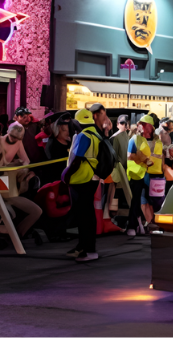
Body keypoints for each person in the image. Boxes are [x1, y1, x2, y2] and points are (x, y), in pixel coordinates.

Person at [63, 108, 106, 262]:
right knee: (87, 214)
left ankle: (89, 250)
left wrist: (67, 174)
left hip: (82, 179)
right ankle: (83, 246)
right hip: (92, 178)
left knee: (84, 216)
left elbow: (77, 159)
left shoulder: (83, 136)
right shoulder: (96, 135)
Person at [126, 114, 158, 236]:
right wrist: (144, 160)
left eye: (145, 125)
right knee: (135, 201)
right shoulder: (134, 139)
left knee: (140, 201)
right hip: (135, 174)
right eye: (142, 125)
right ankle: (132, 226)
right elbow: (130, 155)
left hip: (142, 174)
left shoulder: (143, 139)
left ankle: (137, 224)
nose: (143, 127)